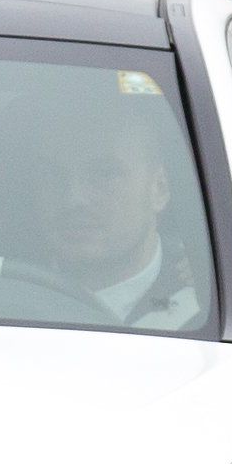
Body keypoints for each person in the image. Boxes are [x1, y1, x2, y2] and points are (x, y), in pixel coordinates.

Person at [27, 90, 203, 329]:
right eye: (52, 174)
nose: (73, 198)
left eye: (104, 174)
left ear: (159, 189)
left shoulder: (209, 307)